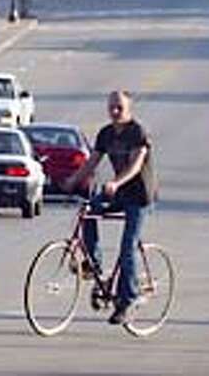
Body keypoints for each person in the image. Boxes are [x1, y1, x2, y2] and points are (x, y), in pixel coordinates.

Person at [62, 89, 157, 326]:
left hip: (140, 196)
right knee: (88, 211)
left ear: (129, 109)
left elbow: (135, 166)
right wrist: (73, 181)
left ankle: (127, 301)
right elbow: (92, 162)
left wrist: (116, 182)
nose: (115, 112)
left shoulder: (137, 132)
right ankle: (96, 267)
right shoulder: (106, 134)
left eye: (120, 108)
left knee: (127, 247)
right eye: (111, 107)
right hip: (120, 193)